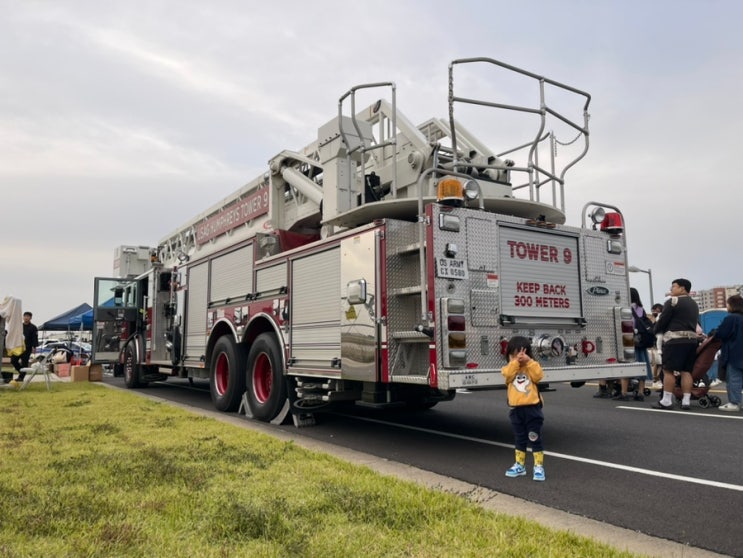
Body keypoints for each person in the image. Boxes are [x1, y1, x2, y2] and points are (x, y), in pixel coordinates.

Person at [501, 336, 546, 482]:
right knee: (519, 438)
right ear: (509, 356)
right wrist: (515, 362)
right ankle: (520, 465)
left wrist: (529, 361)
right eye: (514, 355)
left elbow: (538, 376)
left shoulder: (531, 367)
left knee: (534, 437)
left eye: (521, 355)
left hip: (532, 409)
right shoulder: (509, 369)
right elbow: (507, 375)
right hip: (516, 410)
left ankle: (538, 466)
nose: (518, 359)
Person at [652, 279, 699, 410]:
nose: (671, 289)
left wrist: (655, 330)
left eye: (674, 286)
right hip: (691, 340)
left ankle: (666, 401)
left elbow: (662, 321)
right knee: (686, 371)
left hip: (675, 340)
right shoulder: (694, 304)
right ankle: (686, 401)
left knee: (668, 370)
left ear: (682, 288)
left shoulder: (672, 301)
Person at [614, 288, 651, 401]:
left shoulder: (625, 308)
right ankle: (640, 393)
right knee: (642, 367)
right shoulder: (641, 309)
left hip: (628, 341)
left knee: (626, 366)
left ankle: (624, 393)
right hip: (640, 342)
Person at [714, 294, 743, 411]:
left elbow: (721, 334)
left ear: (732, 305)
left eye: (728, 304)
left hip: (735, 353)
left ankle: (734, 403)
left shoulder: (731, 318)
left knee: (734, 379)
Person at [10, 311, 38, 385]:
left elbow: (34, 338)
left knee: (24, 363)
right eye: (25, 316)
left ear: (30, 318)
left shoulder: (33, 327)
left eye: (28, 316)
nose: (26, 318)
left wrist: (34, 347)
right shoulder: (19, 326)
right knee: (13, 360)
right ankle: (22, 372)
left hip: (27, 348)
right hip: (18, 347)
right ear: (23, 317)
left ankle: (21, 378)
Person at [648, 303, 664, 389]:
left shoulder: (661, 319)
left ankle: (658, 380)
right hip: (655, 346)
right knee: (657, 363)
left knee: (660, 364)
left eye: (657, 310)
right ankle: (656, 380)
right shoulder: (652, 321)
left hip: (662, 346)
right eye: (653, 310)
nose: (655, 312)